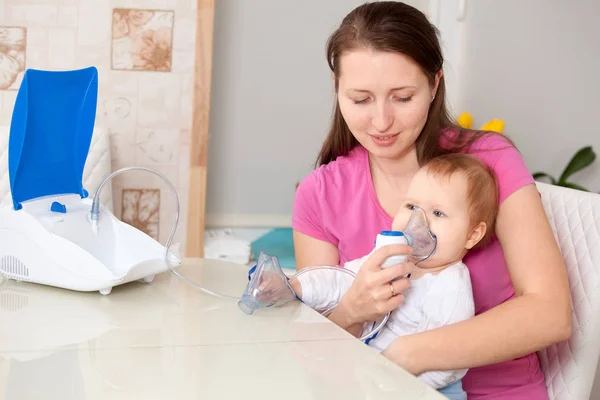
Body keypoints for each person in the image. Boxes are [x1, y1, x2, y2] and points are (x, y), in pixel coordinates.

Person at [292, 2, 572, 399]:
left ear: (435, 84)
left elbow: (551, 314)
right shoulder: (320, 193)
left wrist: (408, 354)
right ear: (337, 90)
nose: (382, 121)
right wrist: (353, 311)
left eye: (403, 97)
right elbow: (314, 353)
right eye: (360, 99)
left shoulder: (490, 161)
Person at [291, 154, 498, 400]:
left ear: (472, 235)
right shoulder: (391, 258)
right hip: (375, 377)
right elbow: (341, 280)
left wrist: (381, 384)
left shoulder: (450, 287)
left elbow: (445, 365)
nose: (416, 222)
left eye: (438, 214)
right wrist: (296, 286)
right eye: (411, 207)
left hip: (427, 389)